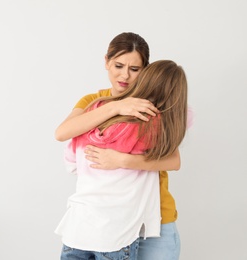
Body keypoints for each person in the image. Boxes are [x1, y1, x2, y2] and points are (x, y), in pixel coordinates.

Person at [55, 32, 182, 260]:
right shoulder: (92, 102)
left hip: (156, 220)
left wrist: (122, 160)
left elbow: (174, 161)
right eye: (118, 65)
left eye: (134, 69)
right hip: (105, 223)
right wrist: (115, 107)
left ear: (145, 70)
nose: (125, 75)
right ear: (106, 62)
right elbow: (62, 132)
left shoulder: (151, 106)